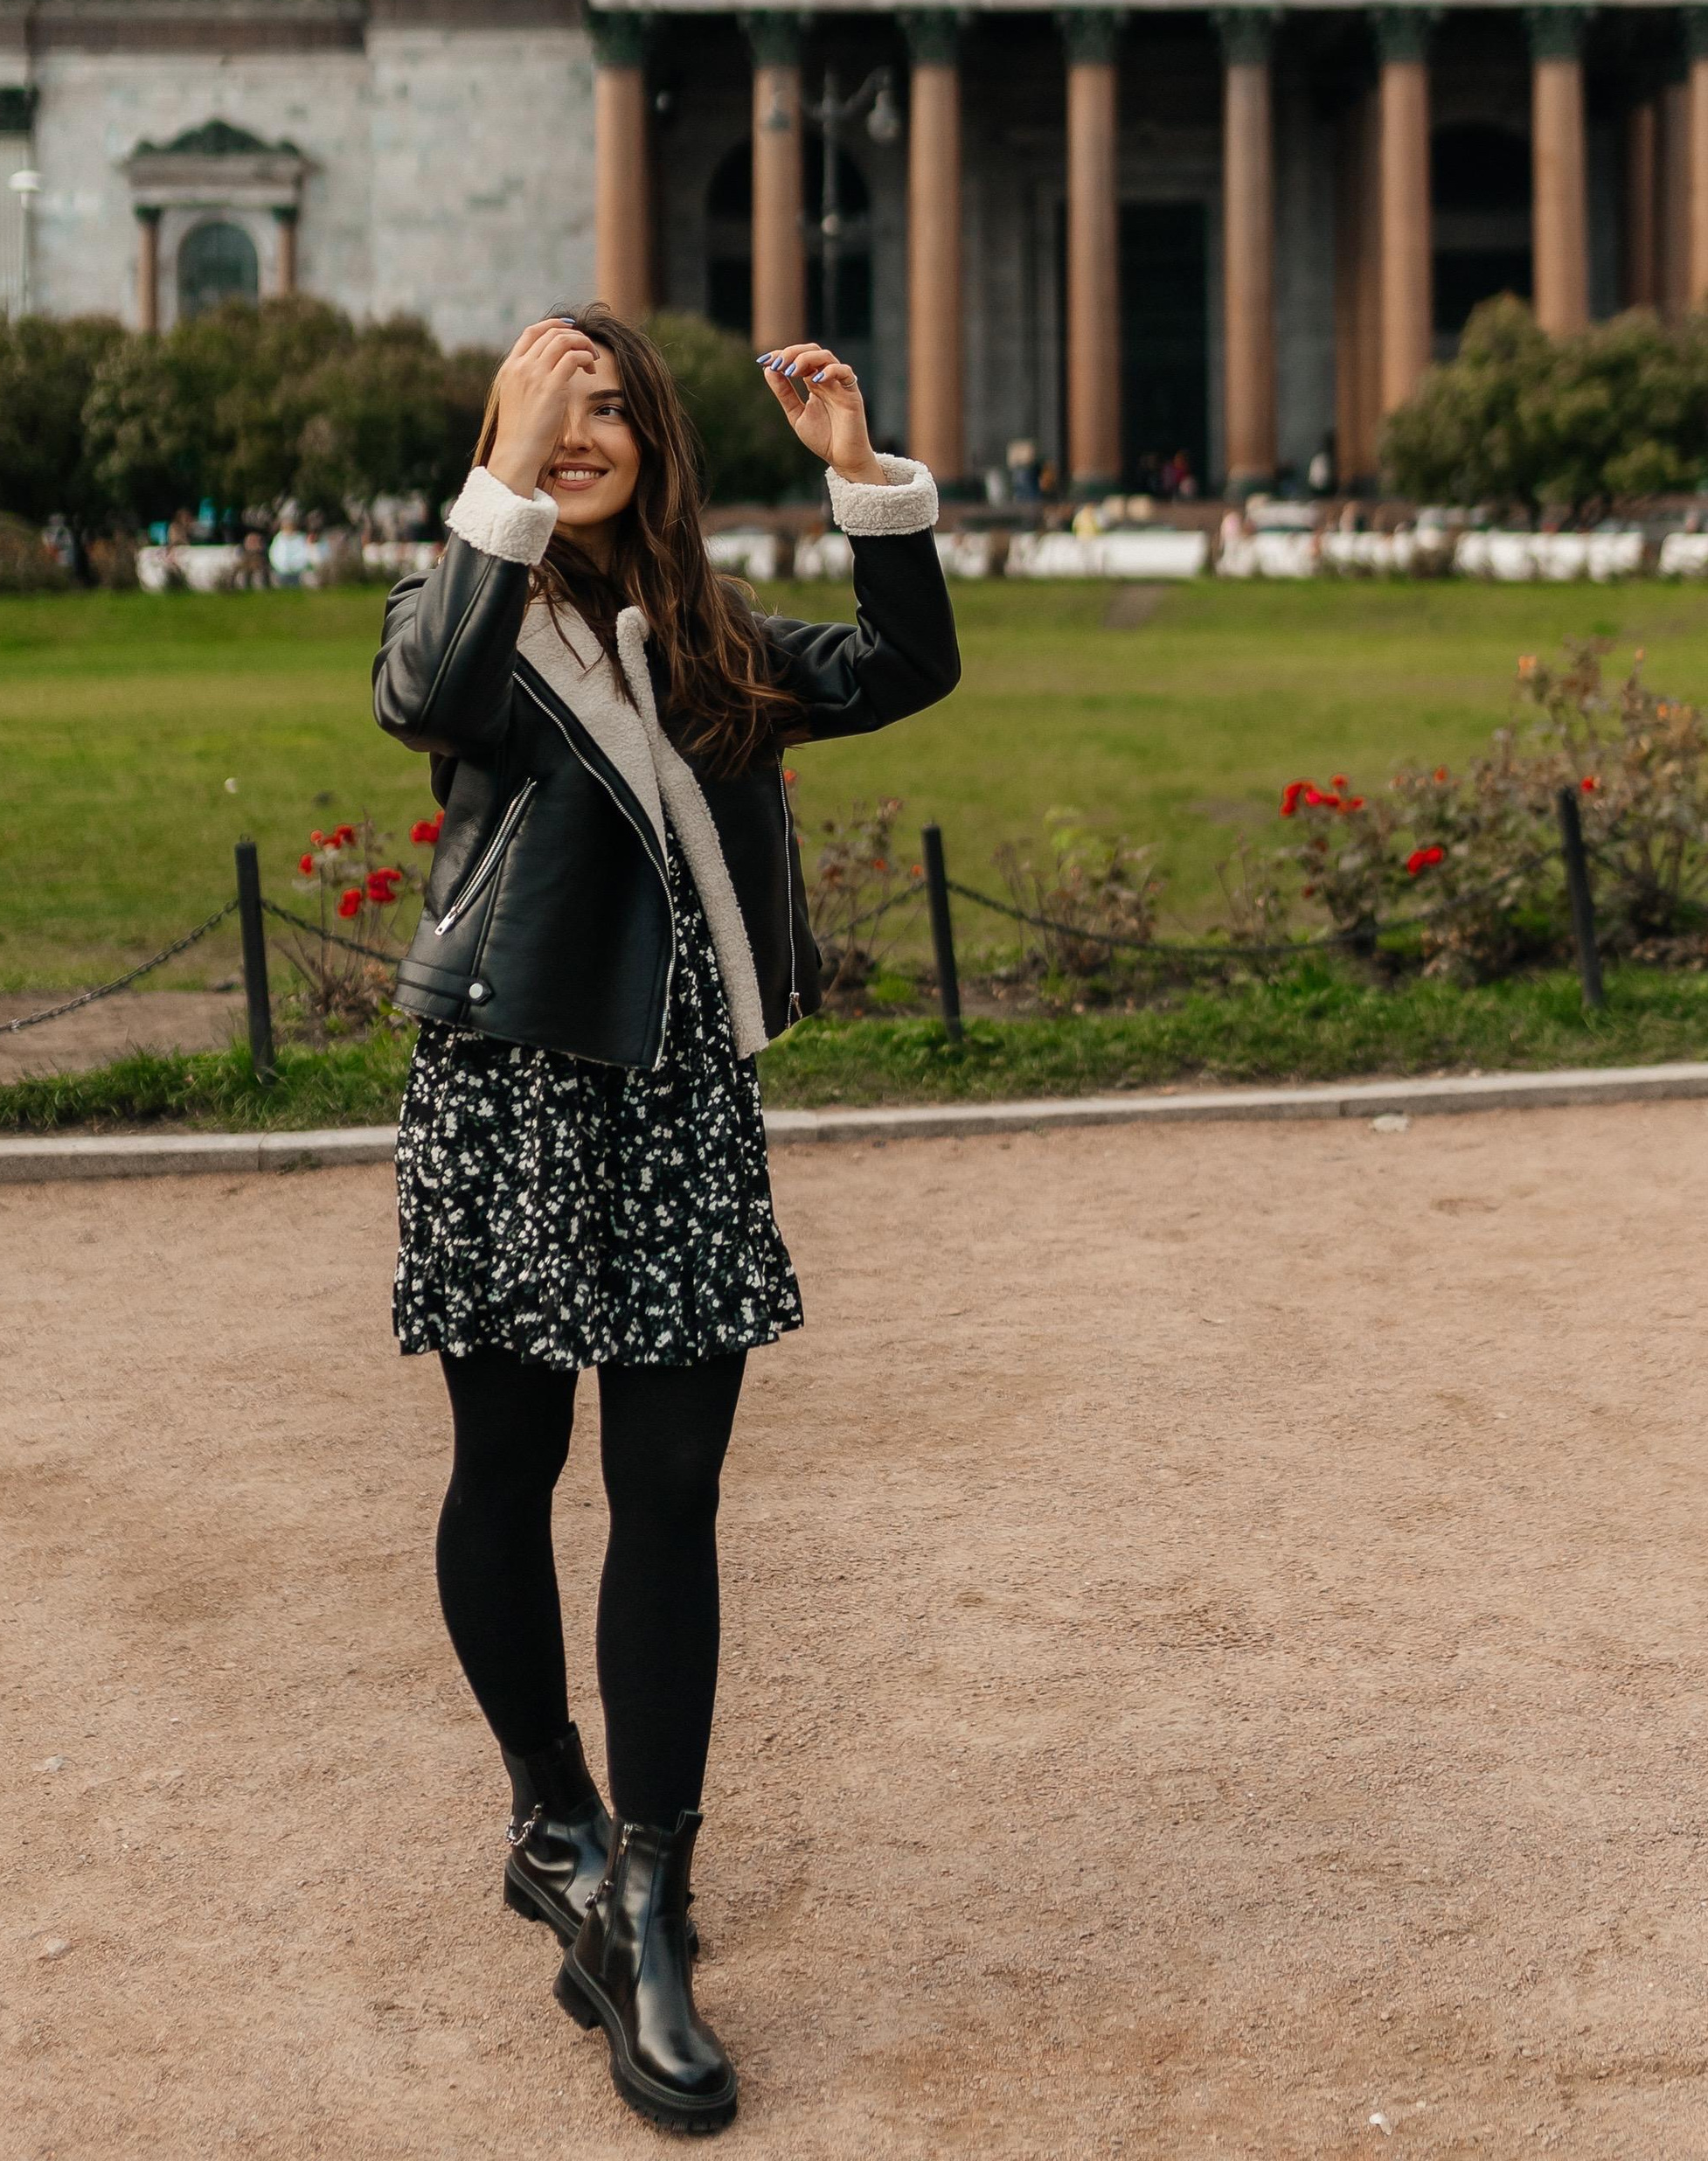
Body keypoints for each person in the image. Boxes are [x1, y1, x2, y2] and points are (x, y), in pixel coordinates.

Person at [374, 307, 958, 2135]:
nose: (584, 427)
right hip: (512, 1093)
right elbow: (425, 702)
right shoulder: (460, 609)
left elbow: (904, 666)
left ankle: (649, 1890)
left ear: (658, 444)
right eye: (555, 401)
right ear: (501, 431)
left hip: (680, 1110)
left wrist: (864, 478)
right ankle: (547, 1810)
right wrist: (504, 476)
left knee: (674, 1497)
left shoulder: (711, 641)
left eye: (612, 404)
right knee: (502, 1467)